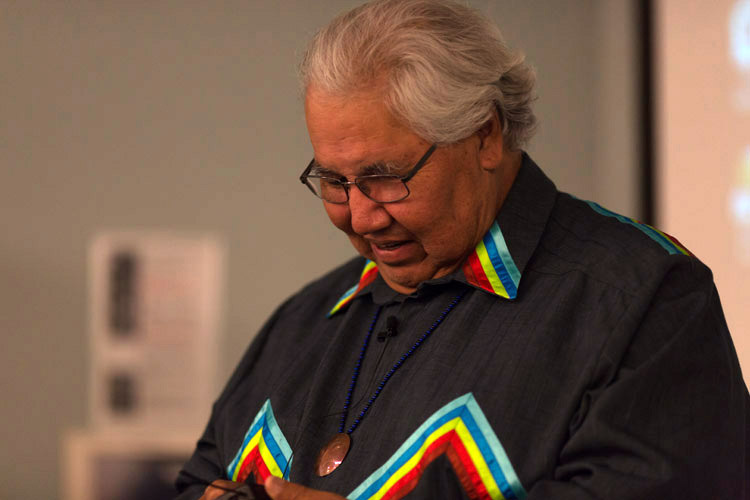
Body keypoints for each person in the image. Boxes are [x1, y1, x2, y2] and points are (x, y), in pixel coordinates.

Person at [175, 1, 750, 499]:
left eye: (386, 176)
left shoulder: (643, 297)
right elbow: (199, 482)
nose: (361, 217)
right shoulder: (299, 323)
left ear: (485, 135)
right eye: (333, 181)